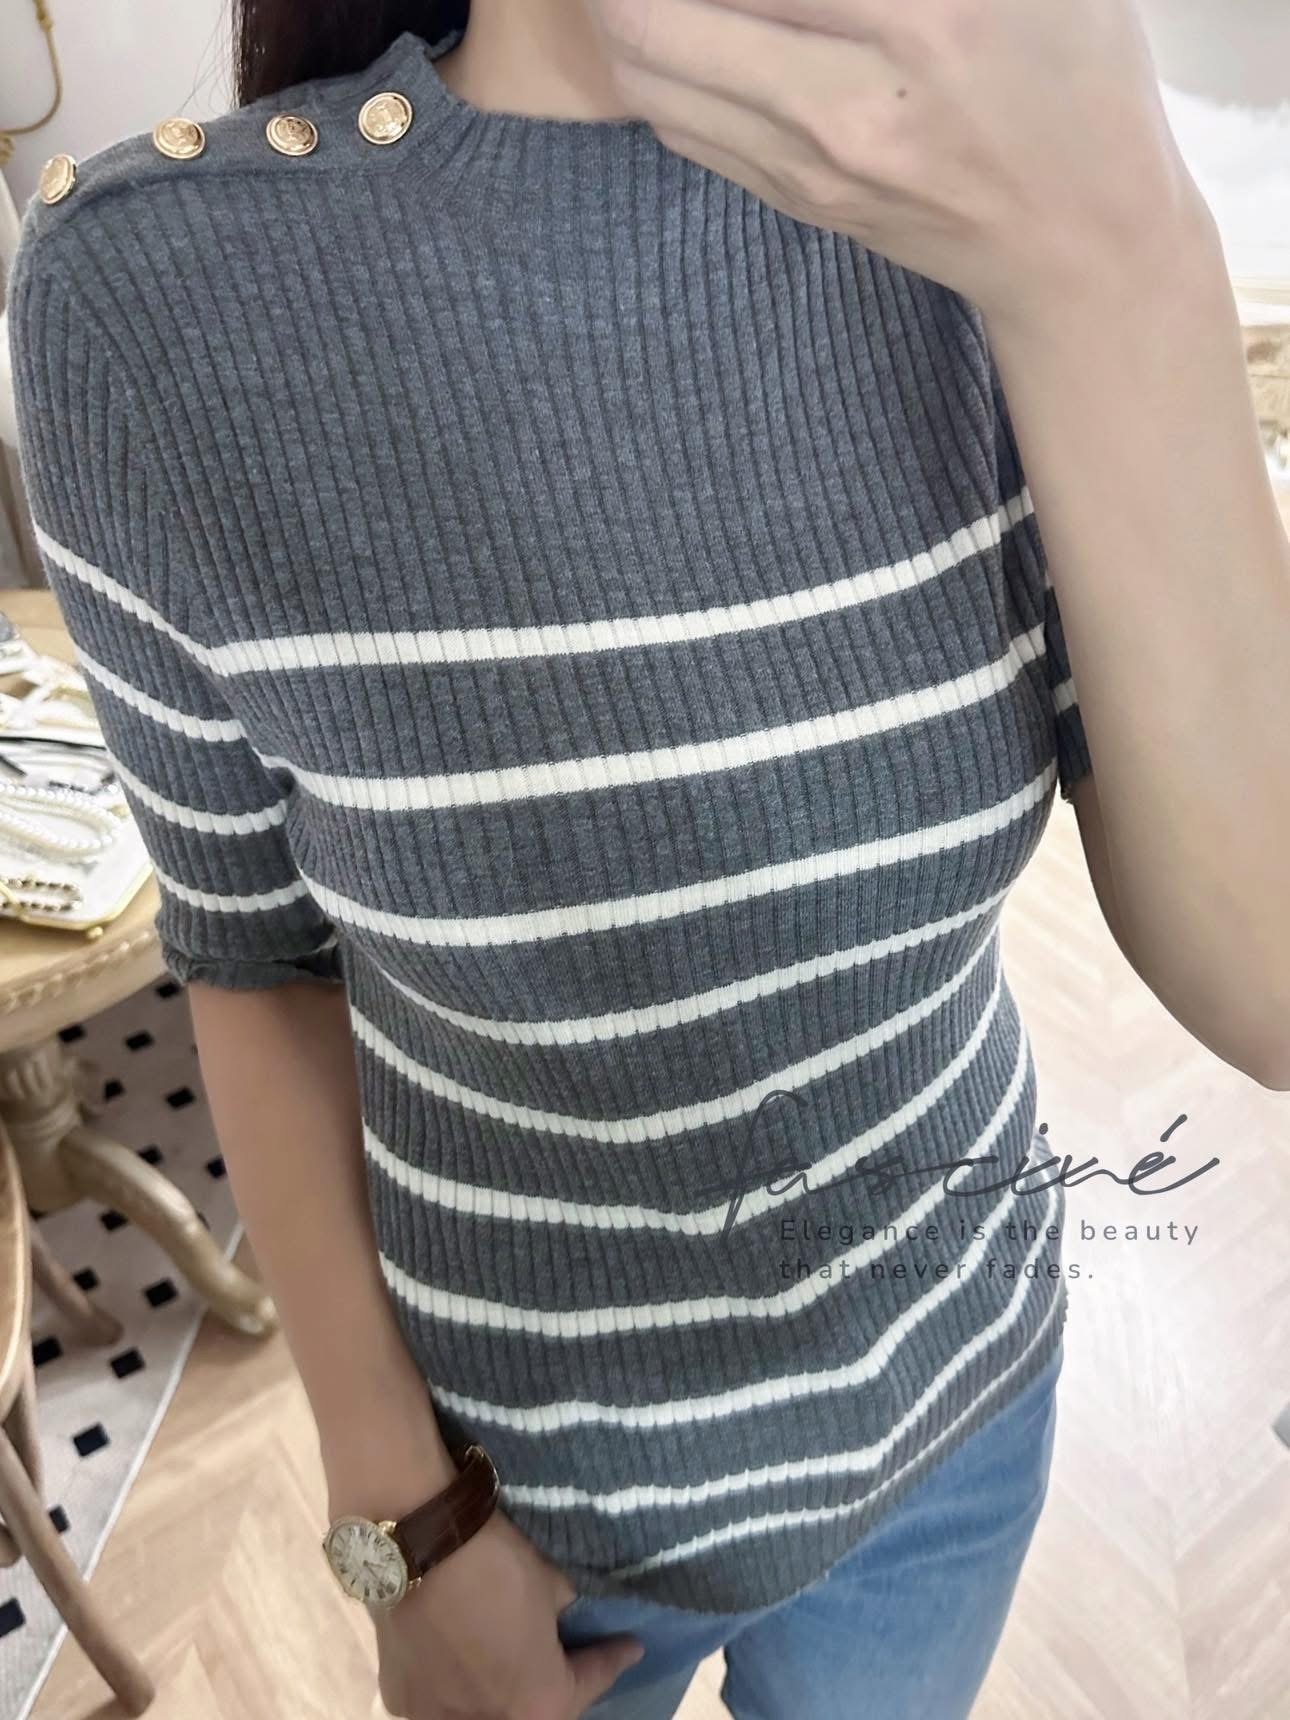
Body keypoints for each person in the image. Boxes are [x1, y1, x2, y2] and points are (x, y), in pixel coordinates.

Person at [8, 3, 1289, 1717]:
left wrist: (1120, 246)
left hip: (961, 1418)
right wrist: (401, 1525)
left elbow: (1266, 977)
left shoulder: (1002, 218)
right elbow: (251, 961)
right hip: (522, 1513)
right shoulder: (155, 294)